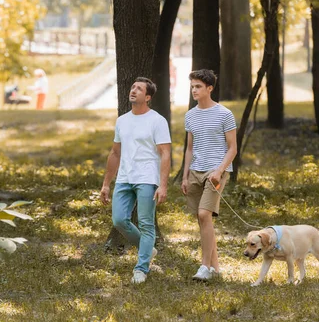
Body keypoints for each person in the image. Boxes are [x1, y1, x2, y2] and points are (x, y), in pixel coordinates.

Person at [100, 77, 172, 284]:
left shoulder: (157, 120)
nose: (133, 90)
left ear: (148, 97)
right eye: (132, 87)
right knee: (119, 220)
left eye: (139, 89)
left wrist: (163, 185)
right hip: (124, 178)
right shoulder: (122, 121)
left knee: (146, 223)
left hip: (147, 178)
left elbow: (165, 153)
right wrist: (106, 184)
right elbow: (115, 153)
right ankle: (148, 249)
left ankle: (141, 268)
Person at [181, 69, 237, 281]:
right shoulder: (190, 115)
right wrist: (185, 176)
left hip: (216, 172)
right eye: (192, 86)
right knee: (203, 220)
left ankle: (204, 267)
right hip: (195, 171)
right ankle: (215, 268)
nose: (194, 90)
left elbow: (233, 148)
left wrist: (219, 171)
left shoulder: (224, 114)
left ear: (209, 88)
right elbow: (189, 149)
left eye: (198, 87)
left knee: (204, 215)